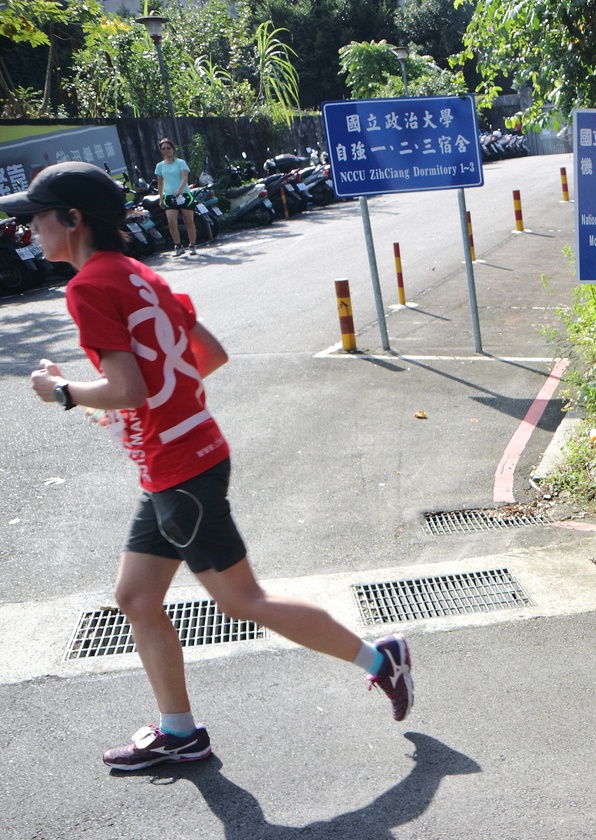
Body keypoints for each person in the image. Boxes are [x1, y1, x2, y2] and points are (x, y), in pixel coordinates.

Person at [9, 161, 415, 771]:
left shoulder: (88, 287)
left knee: (242, 599)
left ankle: (383, 661)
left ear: (72, 219)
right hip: (182, 458)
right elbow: (209, 354)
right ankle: (180, 732)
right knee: (136, 597)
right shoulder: (139, 272)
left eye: (37, 217)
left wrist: (64, 392)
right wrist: (153, 400)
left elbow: (127, 387)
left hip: (180, 470)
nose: (31, 230)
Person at [154, 138, 198, 257]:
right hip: (169, 196)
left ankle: (192, 244)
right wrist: (161, 198)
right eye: (163, 149)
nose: (166, 150)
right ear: (160, 150)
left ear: (173, 149)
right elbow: (160, 183)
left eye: (168, 148)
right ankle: (178, 246)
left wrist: (179, 190)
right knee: (171, 222)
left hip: (184, 195)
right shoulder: (160, 166)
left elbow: (184, 178)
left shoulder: (180, 163)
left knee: (189, 221)